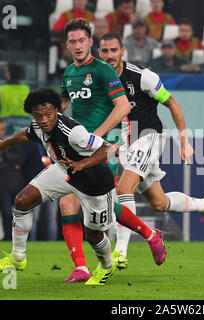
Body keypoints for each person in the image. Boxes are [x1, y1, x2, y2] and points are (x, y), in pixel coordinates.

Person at [0, 88, 166, 286]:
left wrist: (82, 164)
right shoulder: (38, 126)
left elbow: (108, 148)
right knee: (22, 201)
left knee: (94, 235)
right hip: (65, 171)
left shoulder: (74, 133)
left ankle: (106, 267)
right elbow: (24, 134)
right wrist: (6, 142)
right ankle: (18, 257)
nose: (44, 120)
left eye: (48, 114)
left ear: (57, 110)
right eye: (38, 116)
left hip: (94, 181)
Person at [99, 32, 204, 268]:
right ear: (99, 54)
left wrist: (184, 140)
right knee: (159, 202)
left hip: (149, 136)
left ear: (123, 51)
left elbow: (172, 103)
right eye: (105, 51)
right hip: (125, 144)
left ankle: (121, 252)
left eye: (114, 50)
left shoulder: (143, 77)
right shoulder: (98, 80)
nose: (110, 55)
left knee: (123, 188)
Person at [58, 18, 134, 282]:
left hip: (104, 147)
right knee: (68, 201)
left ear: (91, 42)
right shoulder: (68, 74)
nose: (77, 46)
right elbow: (61, 107)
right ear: (67, 45)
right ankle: (80, 267)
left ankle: (146, 234)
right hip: (77, 148)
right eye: (72, 42)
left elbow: (124, 106)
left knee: (99, 210)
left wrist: (97, 135)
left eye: (82, 41)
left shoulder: (103, 70)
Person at [0, 62, 31, 136]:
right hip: (25, 122)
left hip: (7, 122)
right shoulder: (26, 89)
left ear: (8, 74)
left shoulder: (1, 90)